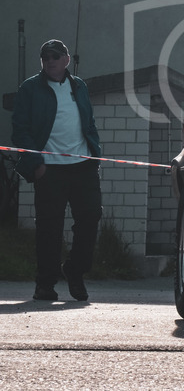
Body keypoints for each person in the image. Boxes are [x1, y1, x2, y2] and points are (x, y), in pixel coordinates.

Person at [11, 39, 102, 302]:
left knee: (90, 218)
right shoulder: (30, 88)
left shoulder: (79, 86)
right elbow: (20, 129)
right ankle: (45, 284)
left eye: (54, 56)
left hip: (83, 166)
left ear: (66, 60)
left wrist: (94, 153)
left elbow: (89, 122)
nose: (49, 60)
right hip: (49, 169)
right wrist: (36, 163)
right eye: (44, 57)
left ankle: (75, 270)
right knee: (49, 228)